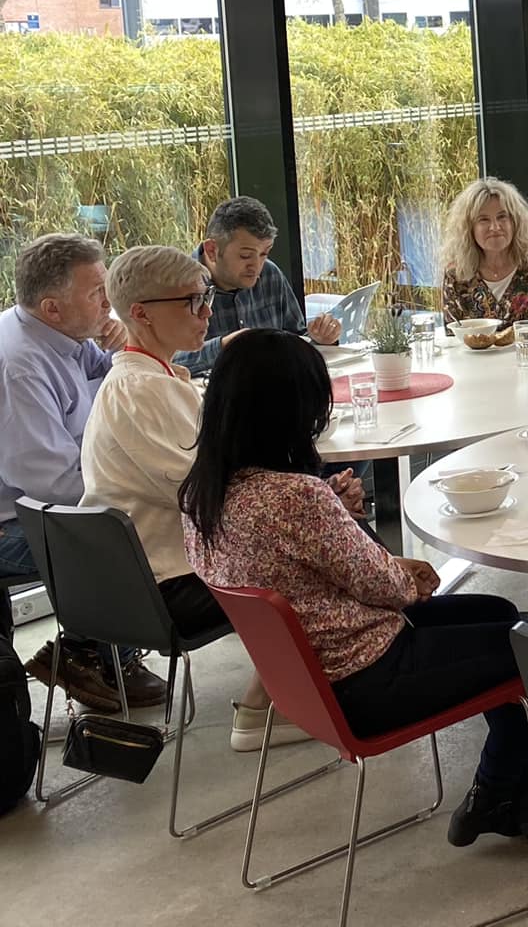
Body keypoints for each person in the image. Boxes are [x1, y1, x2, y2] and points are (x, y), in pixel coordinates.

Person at [181, 329, 528, 844]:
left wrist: (336, 514)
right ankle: (499, 792)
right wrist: (402, 570)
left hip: (311, 679)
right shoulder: (295, 498)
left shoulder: (203, 493)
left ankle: (513, 789)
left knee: (495, 610)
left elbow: (298, 567)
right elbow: (386, 586)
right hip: (369, 676)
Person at [81, 245, 363, 751]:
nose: (208, 312)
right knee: (322, 555)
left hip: (166, 567)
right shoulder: (139, 391)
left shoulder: (160, 380)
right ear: (140, 312)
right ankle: (280, 705)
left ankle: (283, 695)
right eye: (192, 302)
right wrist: (316, 505)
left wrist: (316, 497)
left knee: (321, 533)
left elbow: (226, 485)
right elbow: (215, 497)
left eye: (207, 297)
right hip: (162, 585)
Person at [0, 232, 160, 714]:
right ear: (52, 307)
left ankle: (83, 650)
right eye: (97, 294)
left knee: (136, 518)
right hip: (13, 519)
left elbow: (112, 379)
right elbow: (51, 483)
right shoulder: (20, 366)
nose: (110, 303)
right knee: (125, 535)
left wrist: (120, 343)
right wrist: (136, 498)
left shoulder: (61, 334)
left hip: (41, 497)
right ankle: (104, 659)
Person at [179, 195, 340, 376]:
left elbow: (294, 338)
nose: (256, 266)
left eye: (264, 253)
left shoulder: (270, 275)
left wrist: (319, 339)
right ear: (212, 250)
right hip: (203, 400)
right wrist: (224, 348)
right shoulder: (176, 287)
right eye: (245, 256)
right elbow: (159, 363)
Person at [438, 177, 528, 332]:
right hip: (474, 358)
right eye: (484, 220)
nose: (495, 227)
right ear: (469, 229)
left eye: (502, 217)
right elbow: (452, 339)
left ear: (515, 222)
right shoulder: (456, 274)